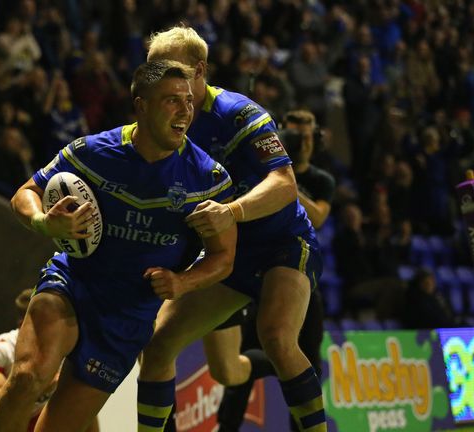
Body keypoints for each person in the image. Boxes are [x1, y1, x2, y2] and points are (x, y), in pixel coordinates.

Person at [0, 60, 237, 432]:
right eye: (171, 101)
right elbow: (26, 193)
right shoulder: (92, 152)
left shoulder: (208, 179)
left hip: (128, 317)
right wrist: (44, 221)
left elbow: (224, 257)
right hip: (74, 283)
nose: (184, 111)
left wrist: (184, 283)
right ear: (141, 106)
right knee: (28, 376)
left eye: (188, 102)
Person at [137, 26, 326, 432]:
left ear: (200, 69)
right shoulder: (160, 118)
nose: (159, 80)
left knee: (275, 336)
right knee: (157, 347)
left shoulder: (239, 113)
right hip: (224, 254)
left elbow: (284, 184)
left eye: (170, 70)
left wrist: (233, 212)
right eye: (153, 70)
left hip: (283, 244)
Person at [218, 110, 335, 431]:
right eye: (295, 136)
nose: (302, 143)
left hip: (300, 272)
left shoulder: (321, 180)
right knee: (243, 357)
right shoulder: (260, 166)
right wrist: (269, 175)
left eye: (307, 136)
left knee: (305, 357)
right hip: (254, 269)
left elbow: (320, 217)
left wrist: (280, 184)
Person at [0, 289, 98, 432]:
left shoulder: (74, 346)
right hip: (2, 423)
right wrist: (40, 388)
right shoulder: (1, 348)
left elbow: (87, 410)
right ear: (24, 323)